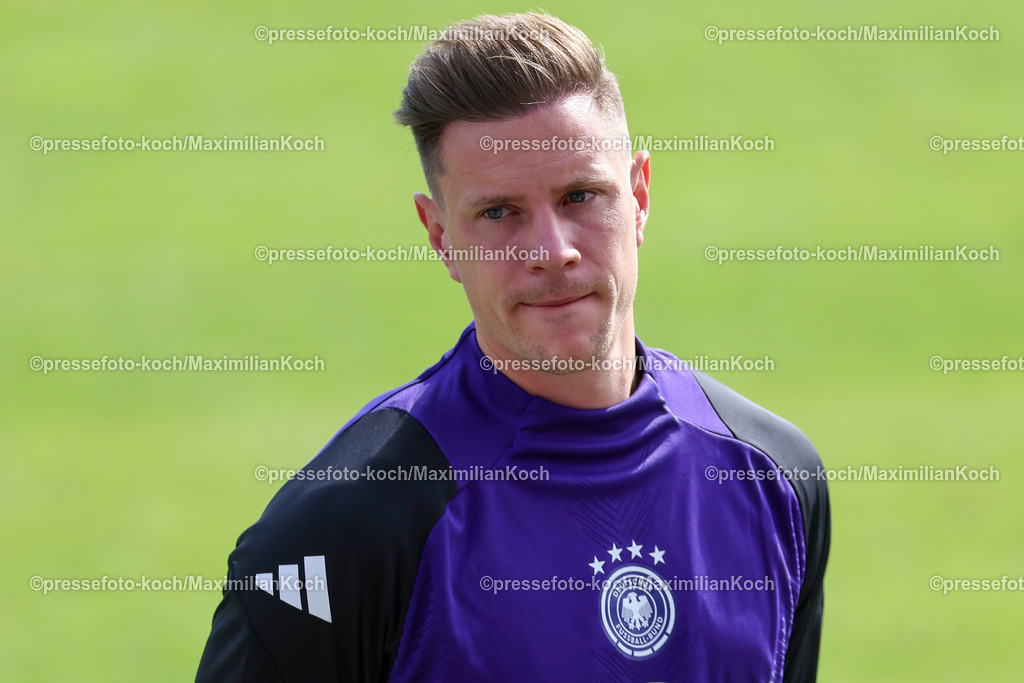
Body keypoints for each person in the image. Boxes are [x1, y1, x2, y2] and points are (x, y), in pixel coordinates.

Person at [197, 12, 830, 682]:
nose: (552, 252)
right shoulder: (345, 529)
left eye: (581, 195)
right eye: (500, 213)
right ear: (440, 236)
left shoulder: (774, 478)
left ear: (640, 196)